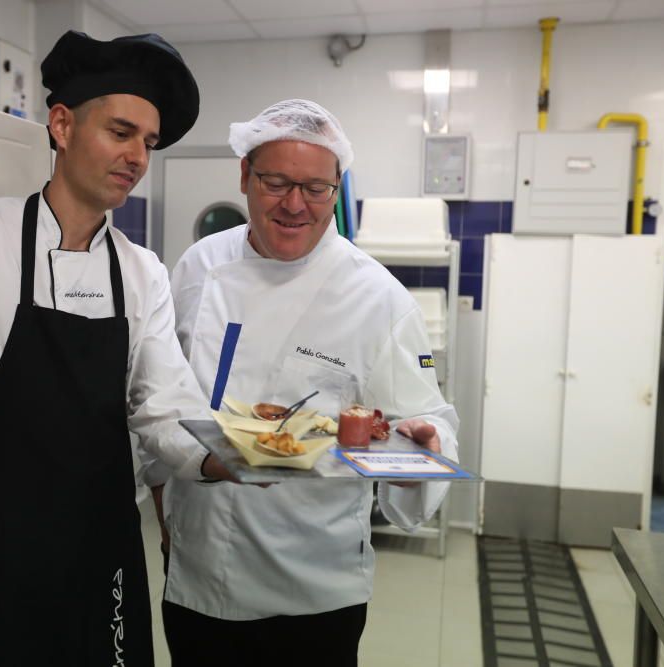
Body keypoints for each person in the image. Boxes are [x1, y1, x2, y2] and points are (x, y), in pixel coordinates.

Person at [0, 31, 229, 667]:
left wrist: (233, 455)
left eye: (148, 141)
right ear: (61, 124)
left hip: (102, 561)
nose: (137, 155)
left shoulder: (142, 273)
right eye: (121, 131)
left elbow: (166, 409)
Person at [146, 99, 460, 666]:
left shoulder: (378, 298)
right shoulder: (197, 266)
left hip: (315, 588)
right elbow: (163, 394)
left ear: (337, 190)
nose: (295, 204)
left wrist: (425, 445)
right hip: (194, 573)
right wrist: (162, 502)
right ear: (244, 176)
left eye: (316, 188)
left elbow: (429, 420)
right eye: (276, 182)